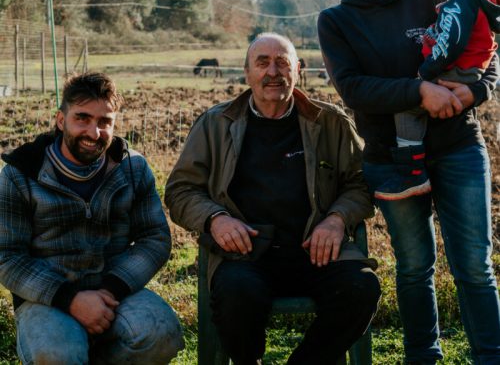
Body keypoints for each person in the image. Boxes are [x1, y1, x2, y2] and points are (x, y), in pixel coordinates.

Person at [318, 0, 500, 364]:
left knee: (475, 268)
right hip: (390, 157)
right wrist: (420, 89)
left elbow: (485, 48)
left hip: (458, 145)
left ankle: (491, 356)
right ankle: (423, 356)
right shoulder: (336, 20)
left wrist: (478, 89)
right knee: (416, 267)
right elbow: (354, 88)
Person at [165, 32, 380, 365]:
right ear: (247, 73)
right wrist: (215, 218)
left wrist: (337, 219)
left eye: (282, 62)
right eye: (262, 63)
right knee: (237, 296)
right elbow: (180, 190)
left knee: (361, 289)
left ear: (298, 69)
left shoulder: (331, 122)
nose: (273, 72)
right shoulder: (215, 124)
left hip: (317, 252)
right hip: (246, 256)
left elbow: (362, 184)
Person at [0, 72, 184, 365]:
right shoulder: (20, 174)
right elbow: (6, 256)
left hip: (116, 289)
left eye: (104, 122)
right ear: (61, 120)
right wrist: (69, 299)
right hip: (46, 296)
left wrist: (109, 290)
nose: (94, 132)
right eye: (82, 118)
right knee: (57, 356)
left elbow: (155, 238)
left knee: (162, 335)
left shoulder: (133, 168)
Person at [375, 0, 500, 200]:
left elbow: (450, 43)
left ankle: (411, 173)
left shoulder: (463, 1)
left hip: (455, 71)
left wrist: (425, 73)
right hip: (469, 72)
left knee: (407, 107)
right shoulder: (476, 1)